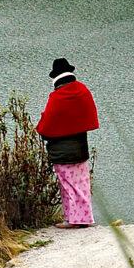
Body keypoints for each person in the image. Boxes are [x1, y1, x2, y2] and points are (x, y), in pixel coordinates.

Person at [35, 58, 98, 228]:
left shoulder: (57, 97)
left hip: (62, 152)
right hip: (80, 148)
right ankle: (84, 219)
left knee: (68, 186)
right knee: (82, 184)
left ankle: (73, 220)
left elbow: (46, 125)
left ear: (56, 78)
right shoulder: (83, 91)